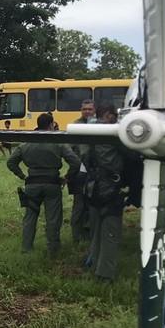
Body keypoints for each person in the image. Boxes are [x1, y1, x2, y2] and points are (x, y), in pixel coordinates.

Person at [6, 112, 81, 257]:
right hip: (52, 183)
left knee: (30, 217)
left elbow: (11, 162)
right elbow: (75, 162)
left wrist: (22, 176)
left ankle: (26, 248)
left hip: (32, 184)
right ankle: (53, 249)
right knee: (53, 218)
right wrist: (67, 177)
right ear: (51, 124)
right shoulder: (57, 142)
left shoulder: (26, 143)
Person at [83, 103, 126, 281]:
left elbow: (82, 157)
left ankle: (93, 262)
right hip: (109, 187)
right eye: (114, 115)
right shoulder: (113, 134)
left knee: (97, 229)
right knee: (110, 231)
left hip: (91, 186)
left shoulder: (86, 132)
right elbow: (130, 154)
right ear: (108, 115)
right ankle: (105, 274)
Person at [69, 99, 96, 244]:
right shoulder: (75, 126)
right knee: (79, 204)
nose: (87, 111)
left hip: (96, 172)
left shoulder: (100, 125)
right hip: (80, 171)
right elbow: (71, 148)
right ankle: (76, 234)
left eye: (89, 109)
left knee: (92, 203)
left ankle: (90, 232)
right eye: (84, 109)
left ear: (94, 110)